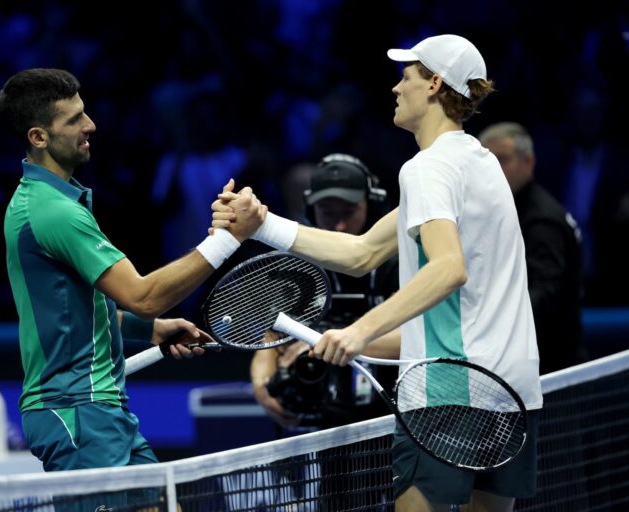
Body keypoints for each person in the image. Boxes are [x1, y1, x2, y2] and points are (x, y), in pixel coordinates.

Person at [213, 34, 543, 512]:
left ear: (433, 84)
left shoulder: (428, 169)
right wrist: (261, 224)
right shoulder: (482, 163)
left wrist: (359, 332)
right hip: (511, 390)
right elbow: (363, 251)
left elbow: (449, 267)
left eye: (405, 77)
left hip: (449, 388)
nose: (395, 88)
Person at [0, 68, 265, 480]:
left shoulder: (45, 201)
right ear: (39, 137)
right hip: (78, 413)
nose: (91, 125)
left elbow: (71, 316)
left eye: (84, 113)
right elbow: (142, 295)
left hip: (96, 411)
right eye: (74, 120)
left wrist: (150, 330)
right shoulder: (54, 212)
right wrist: (228, 239)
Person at [251, 153, 399, 431]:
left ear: (374, 204)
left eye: (348, 212)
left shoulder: (399, 259)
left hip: (395, 413)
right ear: (310, 210)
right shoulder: (301, 266)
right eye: (328, 213)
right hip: (326, 418)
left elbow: (417, 338)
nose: (339, 225)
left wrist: (322, 344)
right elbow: (271, 338)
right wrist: (263, 389)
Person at [478, 122, 588, 374]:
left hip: (553, 368)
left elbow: (544, 293)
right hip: (525, 362)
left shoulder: (541, 220)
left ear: (529, 161)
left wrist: (494, 332)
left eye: (502, 159)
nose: (494, 169)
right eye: (487, 161)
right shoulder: (502, 211)